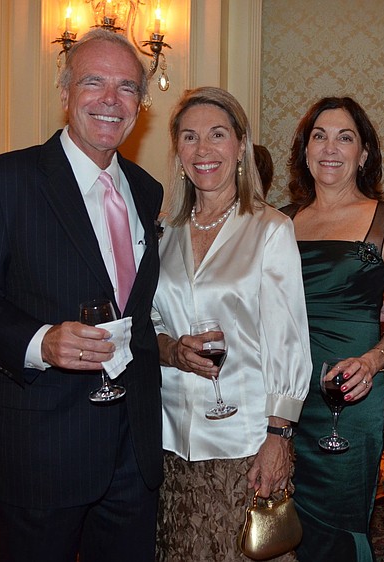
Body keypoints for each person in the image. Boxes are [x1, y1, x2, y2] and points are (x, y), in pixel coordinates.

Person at [0, 29, 163, 561]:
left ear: (140, 105)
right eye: (94, 82)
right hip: (43, 448)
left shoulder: (147, 189)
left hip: (134, 451)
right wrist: (41, 343)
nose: (111, 99)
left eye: (127, 87)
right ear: (64, 94)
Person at [151, 87, 312, 561]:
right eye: (190, 137)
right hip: (171, 438)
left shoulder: (270, 229)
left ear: (240, 146)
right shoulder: (164, 231)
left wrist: (278, 437)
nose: (204, 150)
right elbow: (152, 319)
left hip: (246, 441)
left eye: (217, 135)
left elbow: (288, 341)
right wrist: (171, 350)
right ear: (178, 151)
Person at [281, 96, 384, 561]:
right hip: (284, 393)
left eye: (345, 137)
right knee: (282, 516)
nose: (330, 148)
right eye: (319, 136)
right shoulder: (280, 222)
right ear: (305, 150)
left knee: (339, 522)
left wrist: (374, 360)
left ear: (363, 153)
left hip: (350, 391)